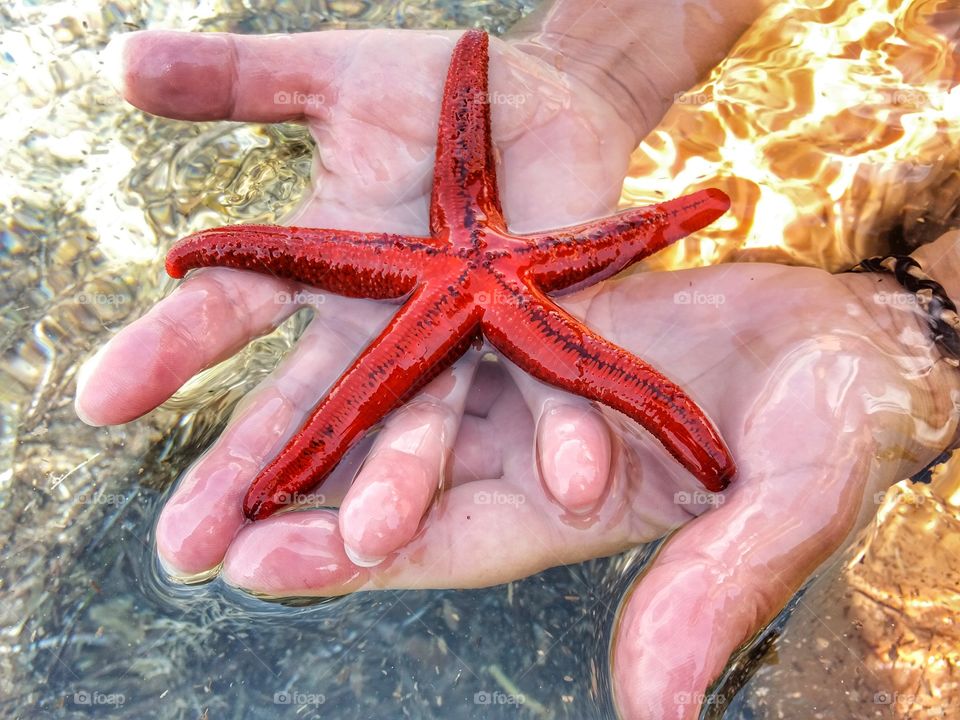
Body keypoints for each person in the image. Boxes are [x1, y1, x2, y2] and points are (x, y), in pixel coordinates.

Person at [75, 1, 960, 717]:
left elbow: (634, 248)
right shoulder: (473, 245)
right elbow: (582, 224)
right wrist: (598, 65)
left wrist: (915, 337)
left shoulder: (480, 268)